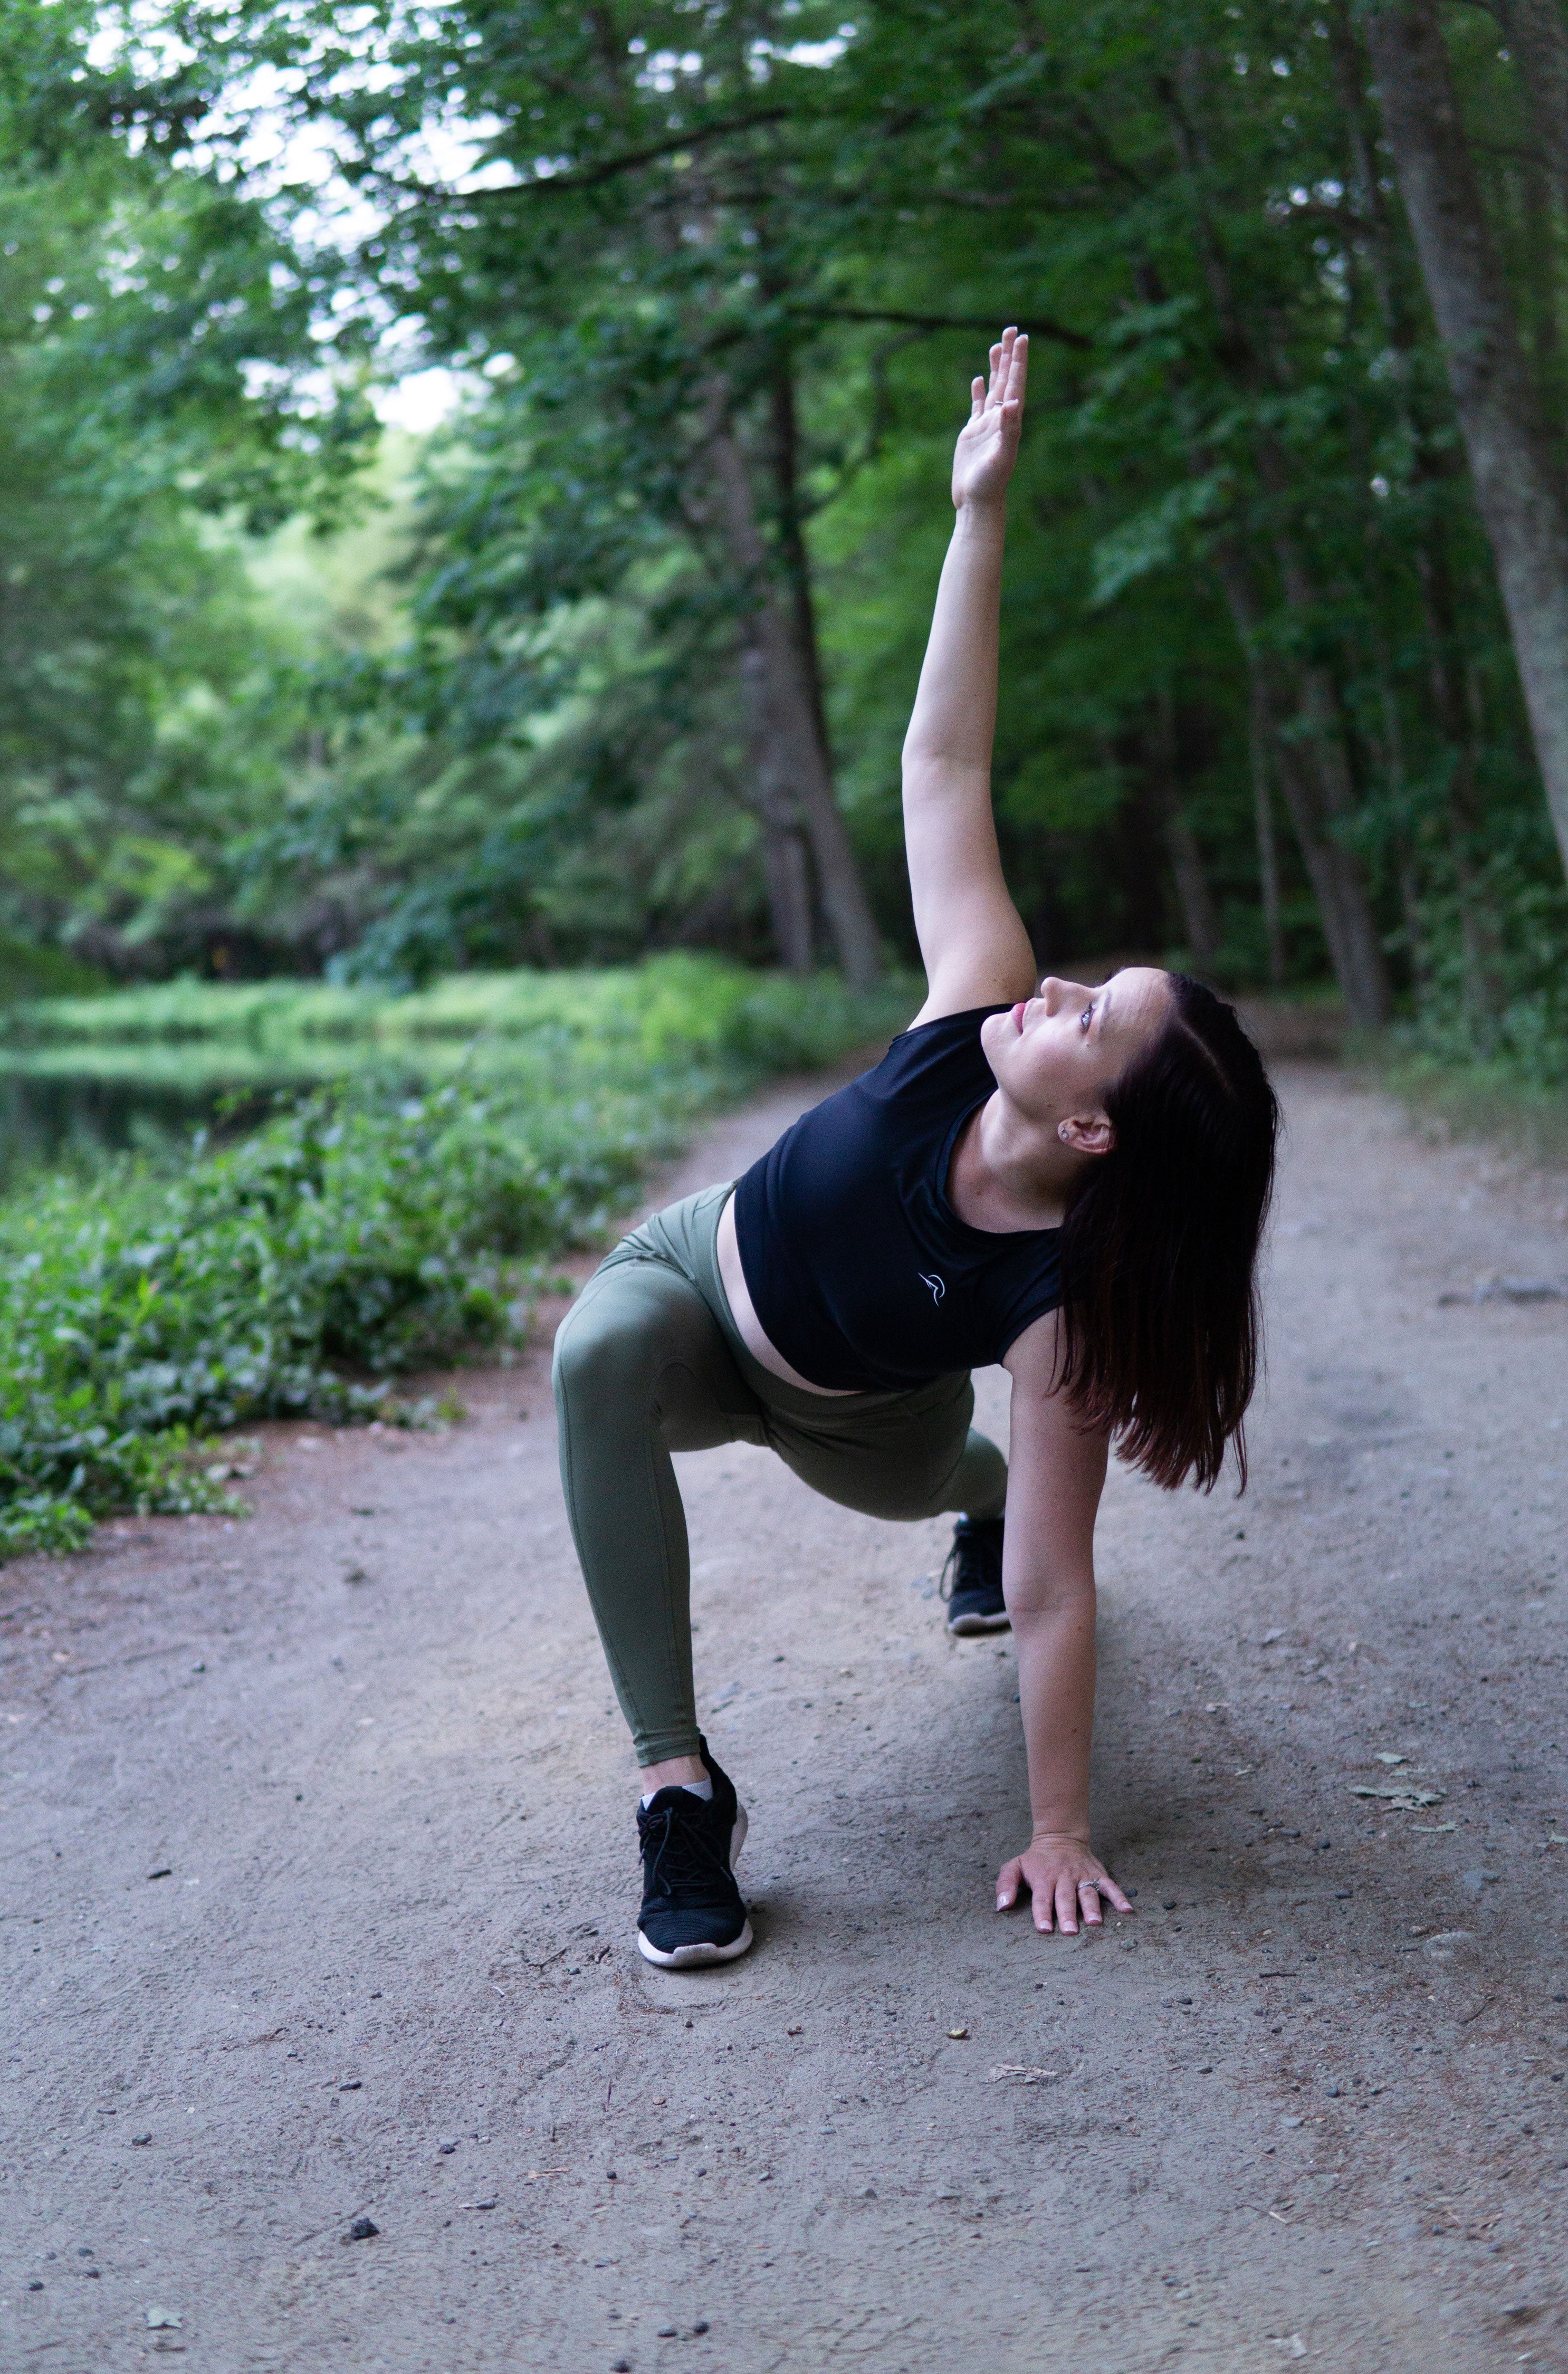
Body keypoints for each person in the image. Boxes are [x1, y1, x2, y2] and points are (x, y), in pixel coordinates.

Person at [553, 328, 1279, 1969]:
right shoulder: (977, 1008)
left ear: (1092, 1126)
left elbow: (1060, 1588)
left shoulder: (1054, 1306)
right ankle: (678, 1786)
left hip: (860, 1413)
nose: (1062, 982)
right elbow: (941, 762)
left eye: (1097, 1007)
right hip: (696, 1281)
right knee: (595, 1355)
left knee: (980, 1491)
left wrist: (1063, 1824)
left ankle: (963, 1494)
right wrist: (981, 512)